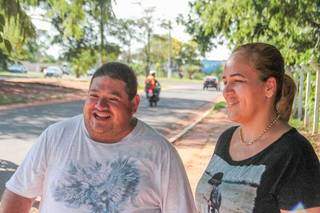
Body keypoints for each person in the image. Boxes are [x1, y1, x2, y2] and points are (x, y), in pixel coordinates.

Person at [0, 62, 197, 213]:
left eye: (113, 98)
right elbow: (18, 195)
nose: (100, 106)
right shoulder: (55, 136)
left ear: (134, 104)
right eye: (93, 96)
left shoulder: (161, 153)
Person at [195, 43, 320, 213]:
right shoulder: (226, 139)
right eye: (225, 81)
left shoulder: (295, 154)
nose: (226, 91)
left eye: (237, 81)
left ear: (269, 87)